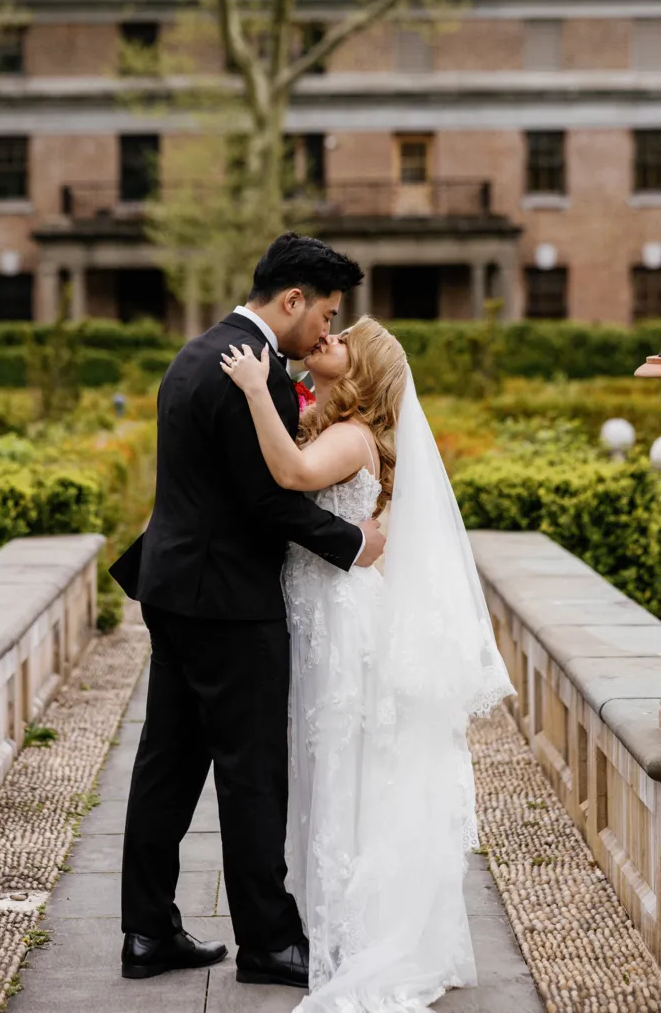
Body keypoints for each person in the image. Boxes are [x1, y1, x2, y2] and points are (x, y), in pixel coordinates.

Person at [109, 234, 387, 988]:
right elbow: (265, 503)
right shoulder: (250, 368)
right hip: (229, 602)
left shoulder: (198, 352)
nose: (326, 331)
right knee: (253, 774)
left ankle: (147, 931)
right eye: (324, 313)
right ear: (291, 299)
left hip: (175, 589)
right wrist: (351, 540)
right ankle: (268, 943)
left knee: (166, 767)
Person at [221, 316, 515, 1012]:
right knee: (327, 761)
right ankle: (329, 916)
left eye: (344, 338)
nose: (329, 337)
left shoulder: (351, 439)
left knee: (343, 761)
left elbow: (292, 474)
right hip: (315, 605)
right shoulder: (330, 423)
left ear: (365, 370)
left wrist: (256, 391)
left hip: (339, 617)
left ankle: (353, 926)